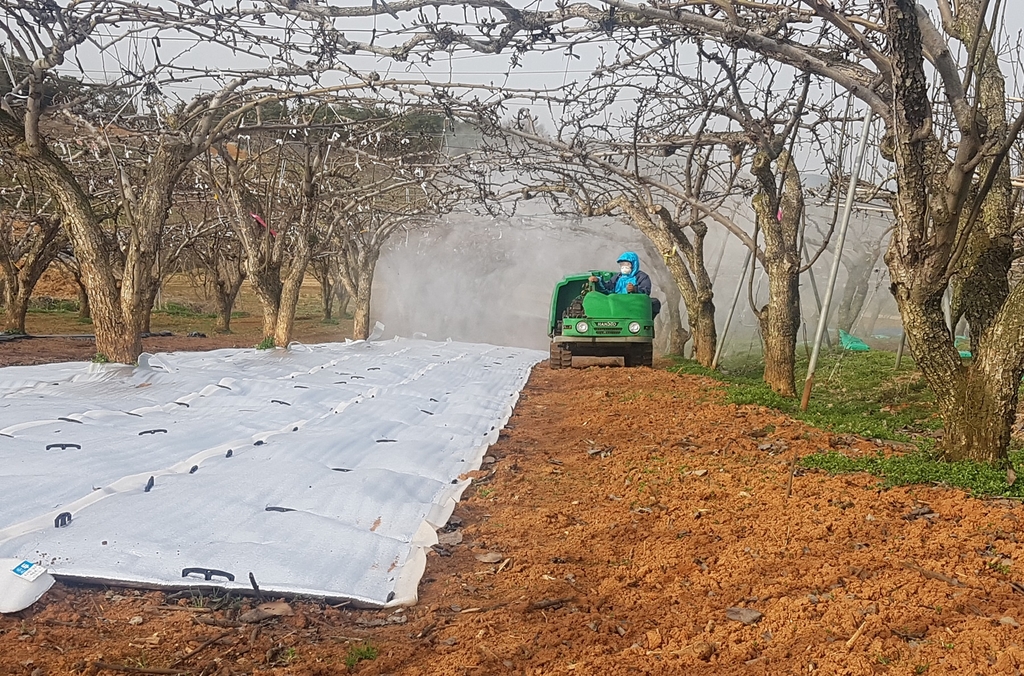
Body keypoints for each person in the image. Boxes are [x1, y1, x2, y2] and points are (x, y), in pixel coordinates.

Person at [589, 251, 661, 316]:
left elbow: (646, 291)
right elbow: (608, 289)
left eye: (627, 264)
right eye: (622, 264)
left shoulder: (642, 277)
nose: (624, 267)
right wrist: (598, 280)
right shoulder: (617, 277)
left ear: (634, 264)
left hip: (634, 308)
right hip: (616, 306)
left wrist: (634, 289)